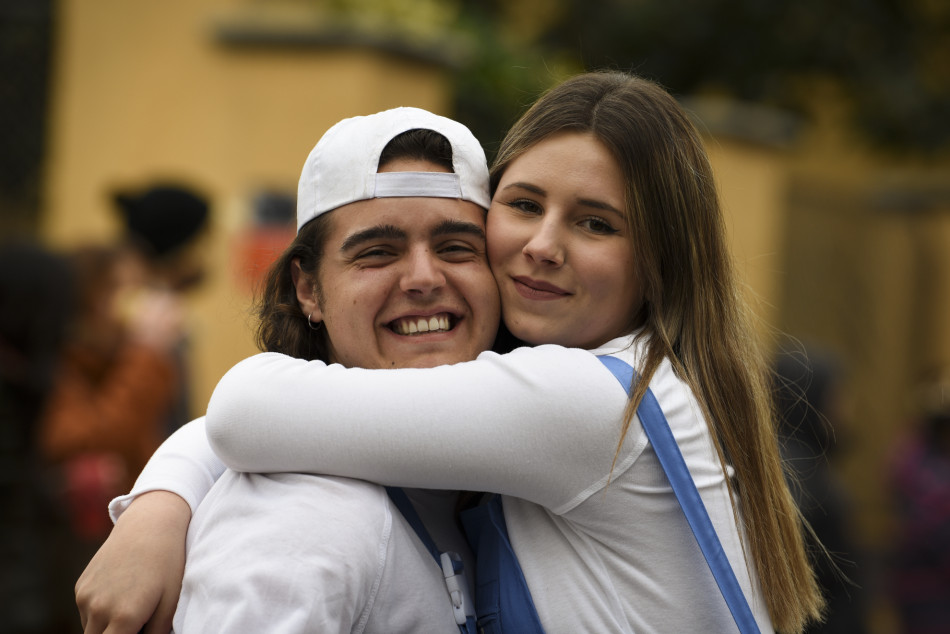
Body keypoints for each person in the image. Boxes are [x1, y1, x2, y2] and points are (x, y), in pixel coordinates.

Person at [80, 71, 825, 633]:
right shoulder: (309, 517)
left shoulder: (584, 400)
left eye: (596, 224)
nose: (541, 246)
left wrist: (159, 502)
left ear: (661, 260)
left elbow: (246, 410)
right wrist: (163, 499)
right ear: (307, 289)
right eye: (525, 205)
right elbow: (252, 422)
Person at [78, 106, 500, 633]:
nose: (423, 277)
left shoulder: (494, 485)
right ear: (308, 289)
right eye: (377, 253)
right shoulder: (301, 521)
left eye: (457, 247)